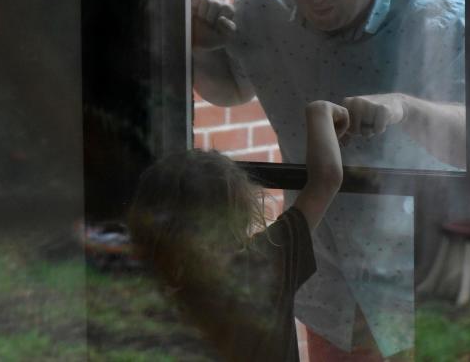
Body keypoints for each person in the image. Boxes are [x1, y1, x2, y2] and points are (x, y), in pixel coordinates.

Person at [192, 0, 466, 360]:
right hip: (324, 278)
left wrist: (405, 107)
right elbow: (231, 87)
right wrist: (193, 48)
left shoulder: (437, 13)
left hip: (422, 286)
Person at [128, 100, 350, 362]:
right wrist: (321, 112)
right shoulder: (265, 264)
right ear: (238, 218)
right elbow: (326, 179)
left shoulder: (144, 308)